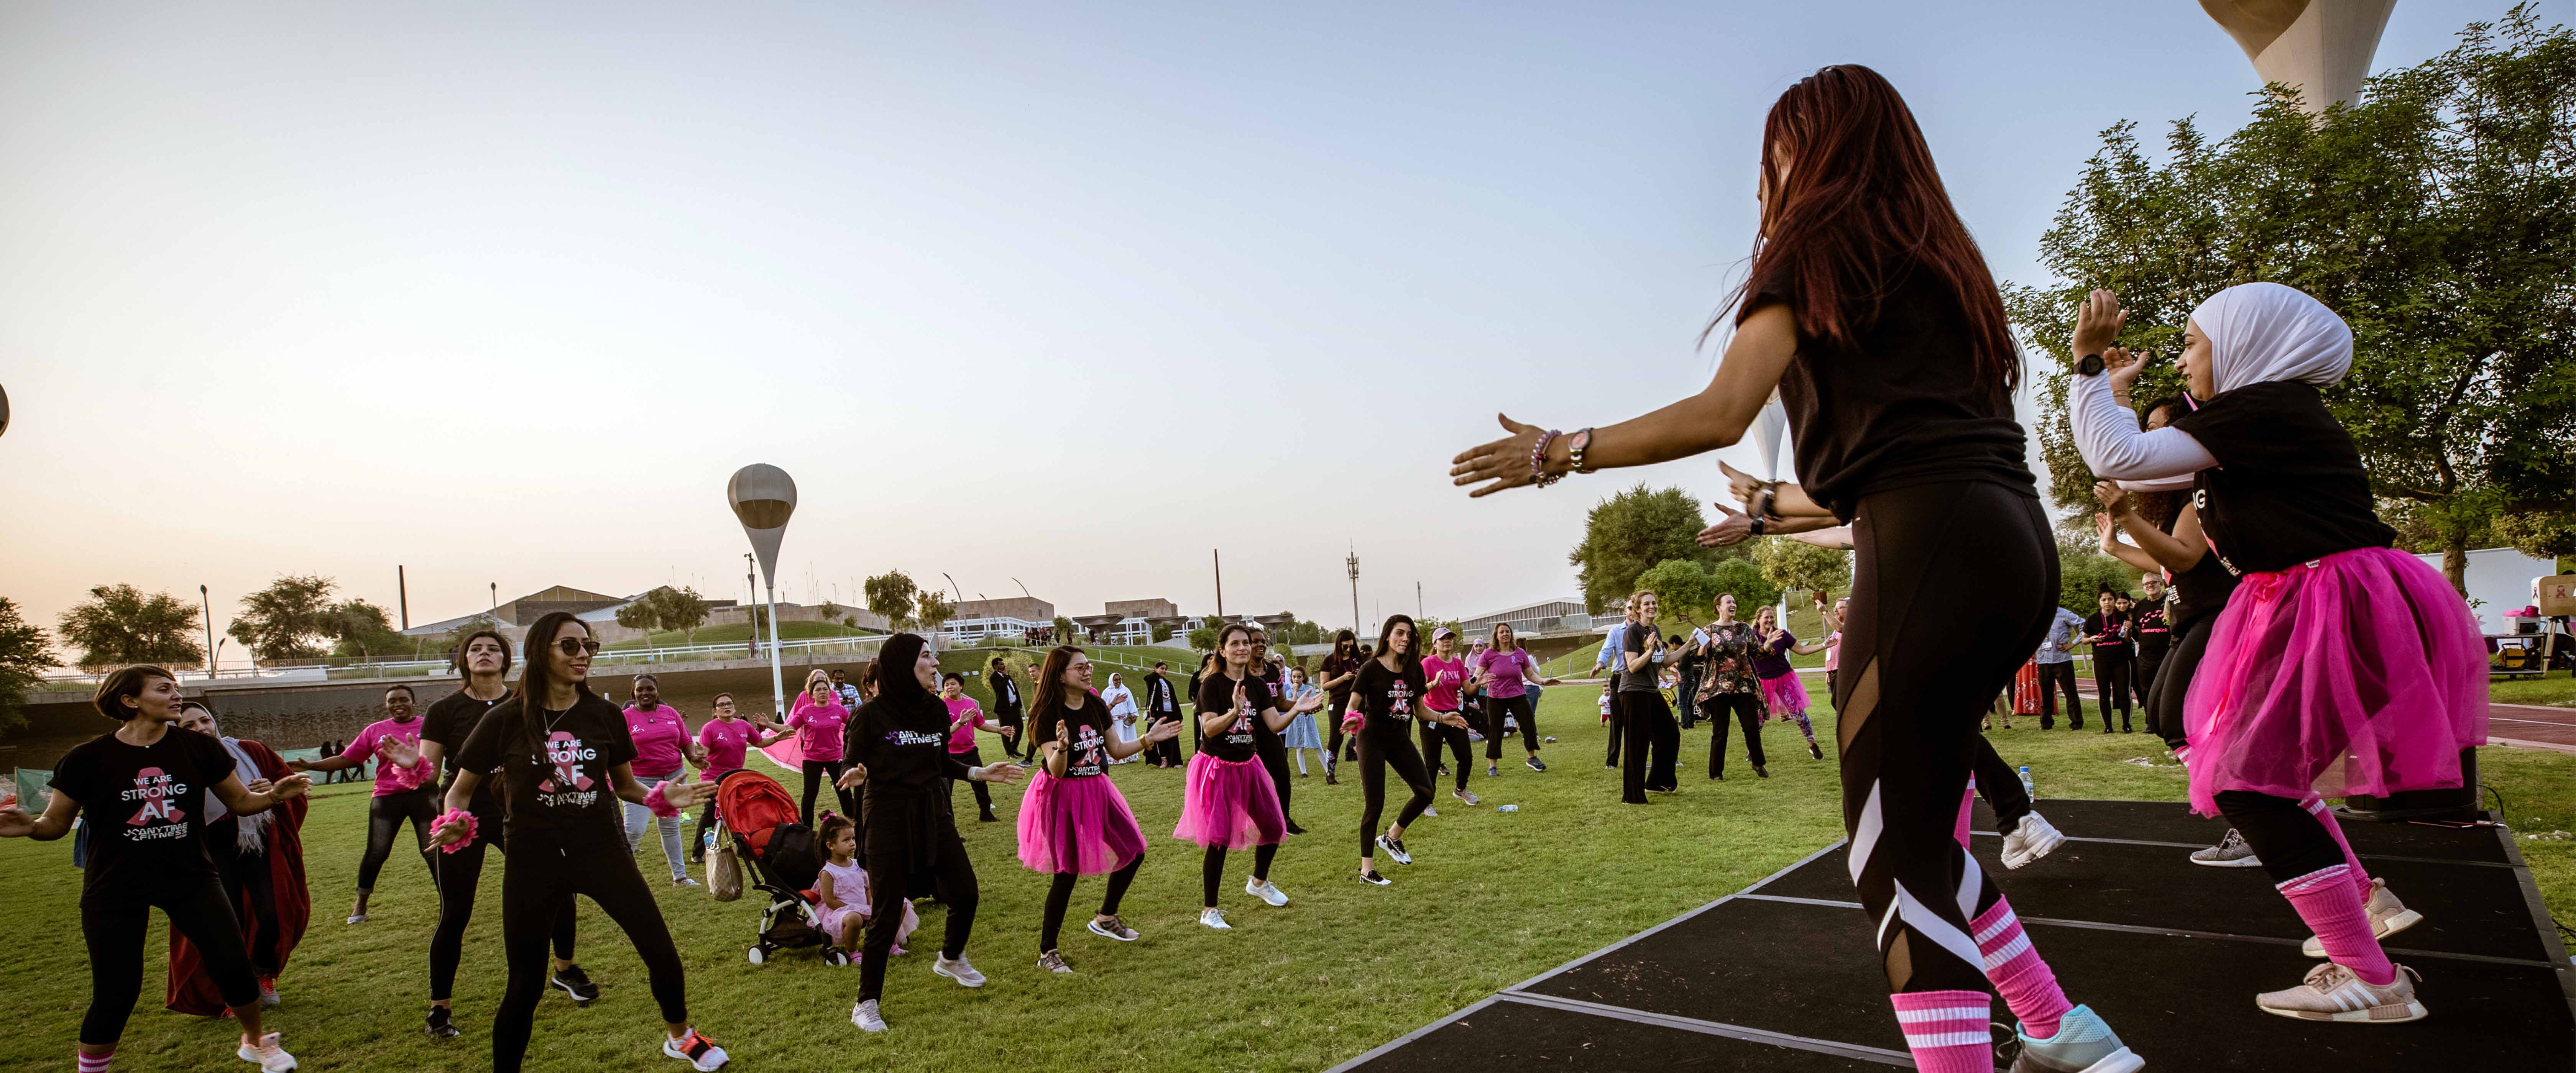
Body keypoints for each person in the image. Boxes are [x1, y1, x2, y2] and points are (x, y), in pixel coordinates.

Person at [1447, 65, 2137, 1071]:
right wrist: (1772, 509)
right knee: (1919, 839)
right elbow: (1903, 456)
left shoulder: (1814, 247)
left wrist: (1561, 449)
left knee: (1893, 857)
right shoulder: (1945, 266)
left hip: (1927, 550)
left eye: (1774, 150)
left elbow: (1722, 409)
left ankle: (2027, 1039)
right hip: (2012, 544)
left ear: (1809, 151)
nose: (1763, 174)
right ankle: (2057, 1027)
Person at [2070, 283, 2484, 1022]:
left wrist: (2089, 365)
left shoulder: (2265, 409)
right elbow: (2131, 467)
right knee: (2263, 776)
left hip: (2333, 602)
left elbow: (2113, 454)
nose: (2188, 360)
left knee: (2246, 781)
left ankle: (2371, 976)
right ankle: (2365, 911)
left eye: (2196, 344)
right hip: (2325, 601)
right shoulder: (2264, 420)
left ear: (2243, 348)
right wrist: (2113, 390)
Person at [429, 613, 729, 1072]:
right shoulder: (505, 718)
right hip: (533, 858)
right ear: (540, 652)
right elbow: (459, 788)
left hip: (602, 850)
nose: (583, 654)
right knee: (525, 984)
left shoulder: (605, 714)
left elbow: (626, 786)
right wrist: (453, 820)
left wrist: (662, 795)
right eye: (569, 646)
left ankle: (681, 1036)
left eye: (588, 645)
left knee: (659, 949)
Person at [3, 665, 314, 1072]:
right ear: (130, 701)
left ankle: (257, 1042)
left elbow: (239, 803)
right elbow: (55, 825)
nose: (176, 695)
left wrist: (274, 794)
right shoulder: (86, 759)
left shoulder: (201, 748)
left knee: (233, 964)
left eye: (176, 688)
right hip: (114, 885)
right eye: (163, 689)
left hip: (190, 878)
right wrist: (30, 827)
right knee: (117, 990)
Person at [836, 635, 1025, 1034]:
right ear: (904, 664)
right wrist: (856, 773)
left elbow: (942, 763)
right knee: (886, 912)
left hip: (932, 810)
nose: (936, 663)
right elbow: (850, 761)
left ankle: (952, 956)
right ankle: (866, 1004)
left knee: (966, 892)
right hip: (887, 815)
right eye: (926, 656)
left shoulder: (935, 710)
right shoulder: (871, 715)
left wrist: (979, 772)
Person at [417, 629, 593, 1040]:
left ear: (507, 659)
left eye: (493, 648)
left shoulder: (526, 703)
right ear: (464, 660)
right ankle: (439, 1008)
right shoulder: (444, 710)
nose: (484, 653)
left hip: (522, 810)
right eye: (475, 649)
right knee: (456, 911)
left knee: (559, 890)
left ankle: (566, 970)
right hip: (464, 816)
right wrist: (415, 765)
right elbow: (429, 773)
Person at [1020, 646, 1177, 973]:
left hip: (1097, 789)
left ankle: (1106, 917)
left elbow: (1117, 750)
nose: (1088, 670)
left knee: (1133, 850)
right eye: (1080, 668)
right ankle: (1048, 951)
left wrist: (1149, 739)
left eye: (1088, 665)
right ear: (1061, 675)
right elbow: (1057, 769)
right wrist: (1062, 748)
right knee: (1067, 872)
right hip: (1060, 794)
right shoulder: (1047, 712)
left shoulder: (1093, 704)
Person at [166, 699, 309, 1018]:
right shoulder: (174, 762)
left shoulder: (249, 750)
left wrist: (272, 791)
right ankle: (235, 991)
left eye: (204, 721)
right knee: (224, 924)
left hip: (257, 842)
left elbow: (294, 788)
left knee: (273, 913)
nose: (201, 729)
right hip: (210, 850)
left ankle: (264, 974)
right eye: (188, 726)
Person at [1178, 623, 1322, 925]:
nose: (1243, 648)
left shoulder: (1257, 686)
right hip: (1217, 768)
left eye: (1246, 643)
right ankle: (1209, 911)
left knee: (1273, 826)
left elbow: (1273, 725)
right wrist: (1234, 711)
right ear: (1223, 651)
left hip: (1248, 766)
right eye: (1235, 644)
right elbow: (1209, 728)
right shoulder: (1213, 685)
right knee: (1219, 839)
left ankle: (1258, 883)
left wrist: (1298, 708)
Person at [289, 684, 439, 925]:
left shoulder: (428, 725)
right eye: (392, 701)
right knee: (377, 852)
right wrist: (311, 766)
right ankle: (360, 905)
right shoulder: (374, 731)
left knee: (432, 851)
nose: (398, 705)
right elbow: (347, 759)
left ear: (413, 702)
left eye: (404, 700)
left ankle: (448, 901)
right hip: (387, 797)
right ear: (386, 705)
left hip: (424, 794)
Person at [1349, 615, 1465, 884]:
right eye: (1399, 633)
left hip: (1400, 738)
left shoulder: (1414, 670)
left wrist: (1443, 717)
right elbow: (1353, 704)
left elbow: (1420, 709)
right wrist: (1350, 720)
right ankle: (1367, 871)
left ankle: (1392, 837)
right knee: (1375, 804)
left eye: (1409, 635)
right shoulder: (1370, 668)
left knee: (1426, 792)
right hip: (1372, 738)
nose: (1405, 639)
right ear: (1388, 636)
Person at [687, 693, 784, 866]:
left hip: (735, 778)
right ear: (715, 710)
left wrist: (776, 738)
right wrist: (701, 756)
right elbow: (705, 753)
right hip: (713, 779)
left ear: (734, 707)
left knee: (740, 813)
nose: (727, 707)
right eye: (722, 705)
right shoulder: (710, 728)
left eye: (730, 704)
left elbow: (759, 742)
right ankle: (698, 852)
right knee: (710, 816)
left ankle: (743, 847)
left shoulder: (744, 726)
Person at [621, 675, 699, 888]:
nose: (645, 693)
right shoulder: (625, 717)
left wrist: (693, 758)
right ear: (633, 693)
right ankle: (617, 877)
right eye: (640, 690)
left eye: (650, 689)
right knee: (634, 829)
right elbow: (618, 751)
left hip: (674, 776)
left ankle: (680, 878)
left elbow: (685, 740)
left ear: (657, 692)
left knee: (671, 827)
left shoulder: (670, 713)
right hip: (640, 780)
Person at [814, 812, 916, 961]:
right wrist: (853, 907)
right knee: (854, 918)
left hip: (864, 906)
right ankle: (853, 952)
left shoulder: (857, 864)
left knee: (900, 904)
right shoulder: (828, 872)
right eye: (846, 840)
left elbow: (868, 887)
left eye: (853, 839)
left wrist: (871, 903)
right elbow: (830, 901)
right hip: (842, 911)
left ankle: (888, 942)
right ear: (831, 846)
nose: (852, 843)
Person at [1614, 592, 1680, 801]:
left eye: (1654, 603)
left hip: (1651, 690)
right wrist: (1650, 651)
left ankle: (1657, 782)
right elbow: (1633, 666)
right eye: (1647, 604)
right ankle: (1633, 796)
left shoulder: (1655, 630)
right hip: (1633, 692)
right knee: (1638, 744)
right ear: (1638, 609)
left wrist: (1690, 645)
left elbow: (1665, 661)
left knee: (1670, 734)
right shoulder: (1632, 632)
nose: (1652, 606)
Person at [1696, 594, 1768, 779]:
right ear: (1719, 607)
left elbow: (1757, 653)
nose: (1733, 605)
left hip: (1744, 684)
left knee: (1751, 727)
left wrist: (1768, 644)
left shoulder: (1744, 628)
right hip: (1719, 686)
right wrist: (1703, 648)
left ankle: (1758, 763)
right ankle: (1716, 773)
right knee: (1721, 730)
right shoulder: (1710, 630)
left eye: (1734, 602)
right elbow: (1698, 657)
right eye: (1729, 602)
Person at [1245, 628, 1309, 835]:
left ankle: (1285, 819)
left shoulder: (1272, 670)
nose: (1261, 645)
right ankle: (1247, 825)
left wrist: (1301, 705)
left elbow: (1281, 703)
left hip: (1271, 732)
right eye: (1255, 641)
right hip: (1246, 735)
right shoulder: (1240, 671)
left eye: (1263, 641)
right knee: (1247, 784)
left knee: (1283, 776)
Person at [1475, 623, 1555, 777]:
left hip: (1518, 696)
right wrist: (1479, 680)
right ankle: (1493, 766)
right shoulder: (1488, 654)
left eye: (1507, 632)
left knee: (1529, 725)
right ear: (1496, 636)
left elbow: (1530, 674)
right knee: (1496, 731)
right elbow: (1477, 674)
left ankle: (1532, 758)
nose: (1505, 634)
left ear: (1511, 635)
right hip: (1496, 697)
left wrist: (1543, 681)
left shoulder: (1519, 653)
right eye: (1502, 632)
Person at [1750, 605, 1827, 760]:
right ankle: (1752, 751)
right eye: (1767, 618)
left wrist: (1824, 645)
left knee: (1799, 714)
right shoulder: (1752, 637)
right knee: (1757, 719)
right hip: (1763, 681)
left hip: (1785, 678)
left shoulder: (1782, 635)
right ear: (1759, 620)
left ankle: (1812, 744)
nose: (1770, 620)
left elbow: (1801, 650)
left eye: (1772, 617)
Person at [1418, 627, 1480, 807]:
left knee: (1466, 757)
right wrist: (1433, 684)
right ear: (1435, 644)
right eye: (1443, 639)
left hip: (1454, 715)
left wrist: (1478, 683)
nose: (1447, 641)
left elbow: (1468, 689)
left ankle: (1461, 790)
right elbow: (1420, 690)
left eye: (1450, 638)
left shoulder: (1458, 664)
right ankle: (1427, 802)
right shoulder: (1428, 663)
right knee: (1432, 763)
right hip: (1432, 716)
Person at [785, 668, 855, 825]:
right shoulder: (805, 711)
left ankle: (854, 824)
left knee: (843, 791)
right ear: (812, 693)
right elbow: (789, 728)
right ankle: (807, 829)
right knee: (810, 794)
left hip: (835, 757)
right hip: (812, 758)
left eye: (825, 689)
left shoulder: (838, 709)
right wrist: (769, 725)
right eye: (818, 690)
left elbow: (854, 723)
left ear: (830, 692)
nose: (822, 692)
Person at [942, 672, 1012, 823]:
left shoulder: (969, 704)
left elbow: (980, 723)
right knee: (945, 791)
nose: (949, 687)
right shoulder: (941, 706)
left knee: (981, 783)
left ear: (961, 686)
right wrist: (960, 722)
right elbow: (943, 732)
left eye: (953, 684)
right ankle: (948, 824)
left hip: (970, 751)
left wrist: (999, 730)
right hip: (948, 754)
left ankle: (986, 813)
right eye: (947, 685)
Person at [2082, 588, 2135, 734]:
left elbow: (2127, 639)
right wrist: (2092, 639)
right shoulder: (2093, 619)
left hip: (2121, 660)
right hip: (2101, 661)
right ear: (2099, 602)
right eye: (2104, 600)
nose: (2107, 603)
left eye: (2110, 600)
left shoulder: (2122, 616)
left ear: (2114, 601)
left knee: (2124, 693)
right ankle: (2108, 726)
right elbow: (2084, 640)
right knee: (2104, 694)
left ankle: (2127, 725)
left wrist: (2129, 629)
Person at [1591, 598, 1635, 769]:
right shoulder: (1616, 631)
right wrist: (1600, 664)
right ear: (1625, 610)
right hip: (1619, 679)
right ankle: (1612, 761)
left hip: (1638, 680)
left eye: (1635, 608)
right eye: (1629, 608)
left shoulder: (1644, 630)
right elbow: (1606, 651)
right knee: (1617, 721)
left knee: (1637, 722)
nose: (1632, 611)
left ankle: (1635, 759)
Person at [1316, 632, 1362, 783]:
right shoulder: (1330, 661)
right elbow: (1324, 686)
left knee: (1362, 736)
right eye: (1345, 646)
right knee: (1336, 737)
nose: (1348, 649)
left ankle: (1366, 772)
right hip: (1338, 702)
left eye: (1351, 645)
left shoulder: (1358, 659)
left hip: (1357, 701)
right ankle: (1330, 773)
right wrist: (1343, 678)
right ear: (1339, 644)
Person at [2032, 606, 2087, 730]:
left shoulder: (2064, 614)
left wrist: (2073, 643)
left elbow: (2085, 626)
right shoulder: (2037, 614)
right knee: (2046, 694)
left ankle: (2077, 723)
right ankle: (2046, 723)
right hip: (2043, 660)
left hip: (2062, 660)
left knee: (2070, 693)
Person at [1277, 665, 1327, 776]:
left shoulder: (1309, 689)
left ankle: (1328, 769)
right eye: (1294, 677)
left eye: (1299, 677)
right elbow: (1292, 705)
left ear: (1303, 677)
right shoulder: (1290, 691)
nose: (1296, 679)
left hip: (1308, 720)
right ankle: (1304, 772)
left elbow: (1313, 704)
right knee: (1299, 747)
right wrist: (1295, 692)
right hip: (1296, 722)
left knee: (1317, 745)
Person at [2131, 574, 2171, 702]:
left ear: (2161, 584)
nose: (2150, 586)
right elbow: (2136, 631)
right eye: (2146, 584)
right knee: (2147, 691)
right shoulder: (2140, 607)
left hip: (2167, 655)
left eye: (2153, 582)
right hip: (2145, 658)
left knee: (2167, 690)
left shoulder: (2169, 603)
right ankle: (2151, 721)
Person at [1139, 661, 1185, 769]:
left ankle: (1175, 760)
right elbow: (1148, 678)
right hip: (1159, 713)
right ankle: (1163, 759)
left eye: (1166, 669)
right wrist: (1156, 673)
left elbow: (1174, 699)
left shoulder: (1168, 683)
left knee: (1172, 736)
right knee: (1160, 738)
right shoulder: (1153, 681)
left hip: (1170, 712)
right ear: (1155, 669)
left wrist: (1178, 715)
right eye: (1162, 669)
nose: (1164, 671)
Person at [986, 656, 1027, 762]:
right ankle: (1009, 753)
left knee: (1020, 728)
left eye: (1003, 664)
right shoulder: (994, 678)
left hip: (1014, 707)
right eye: (1001, 664)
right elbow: (1002, 688)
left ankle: (1014, 748)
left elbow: (1013, 689)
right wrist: (1005, 676)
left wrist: (1019, 703)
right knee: (1006, 731)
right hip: (1004, 709)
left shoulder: (1007, 676)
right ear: (996, 666)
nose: (1004, 666)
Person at [1100, 673, 1139, 762]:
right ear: (1112, 681)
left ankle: (1128, 757)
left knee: (1126, 739)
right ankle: (1114, 758)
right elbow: (1103, 707)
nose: (1118, 681)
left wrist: (1134, 715)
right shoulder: (1106, 692)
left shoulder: (1126, 690)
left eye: (1119, 679)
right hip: (1113, 721)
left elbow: (1131, 703)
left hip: (1125, 720)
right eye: (1116, 680)